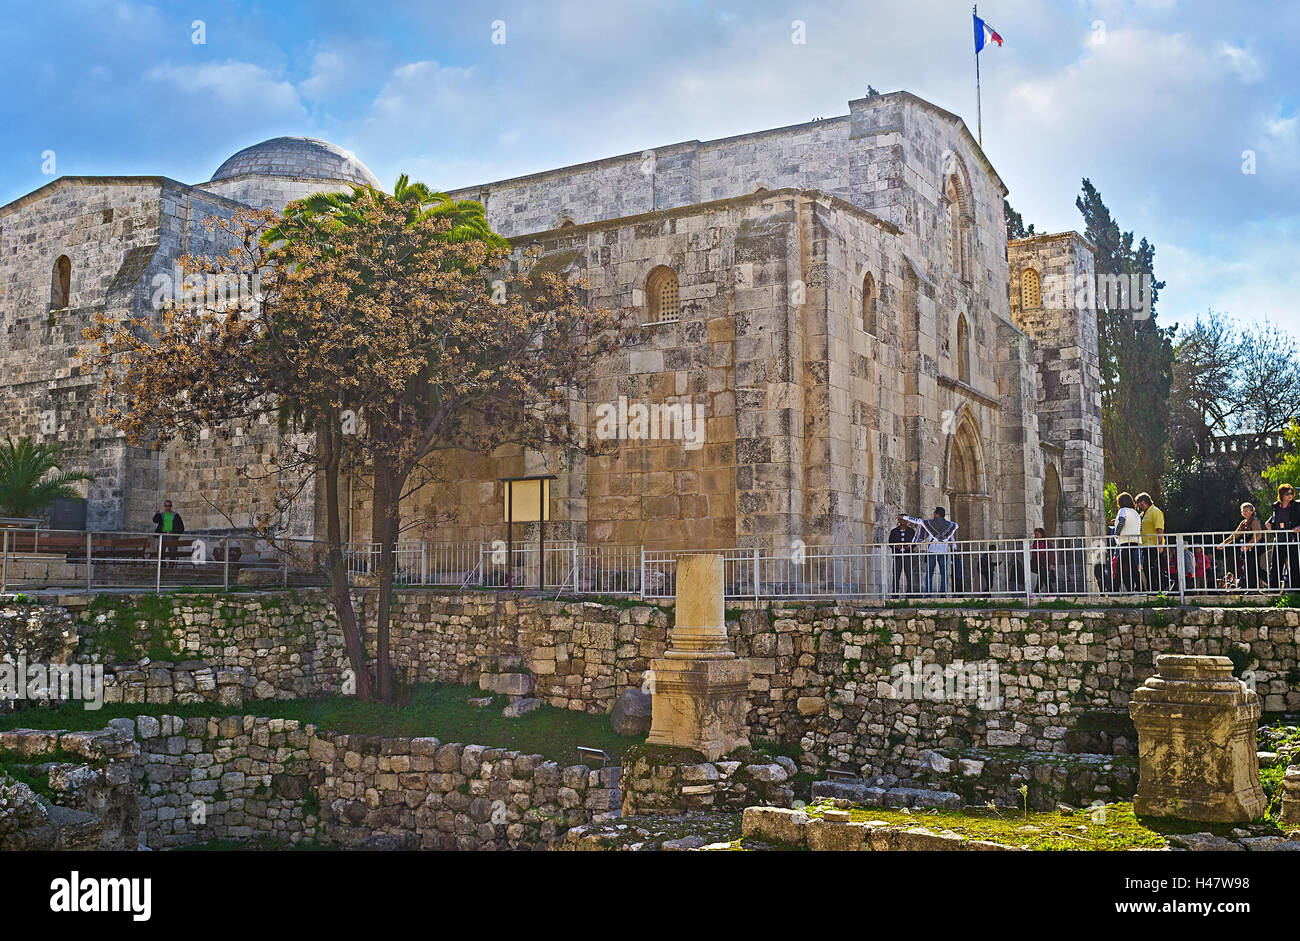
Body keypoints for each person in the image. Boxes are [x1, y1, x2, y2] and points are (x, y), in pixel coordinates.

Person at [903, 508, 959, 595]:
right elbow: (952, 538)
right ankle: (943, 594)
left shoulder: (931, 524)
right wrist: (955, 549)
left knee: (929, 573)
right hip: (943, 551)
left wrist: (905, 518)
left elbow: (919, 521)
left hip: (932, 550)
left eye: (934, 513)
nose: (933, 515)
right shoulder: (950, 525)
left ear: (937, 514)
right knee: (944, 574)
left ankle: (928, 593)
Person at [1219, 502, 1264, 589]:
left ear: (1252, 511)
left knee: (1252, 567)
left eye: (1247, 511)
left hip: (1256, 546)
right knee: (1251, 567)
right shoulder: (1244, 522)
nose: (1244, 512)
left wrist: (1247, 546)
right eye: (1243, 511)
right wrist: (1224, 543)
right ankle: (1252, 587)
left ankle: (1257, 587)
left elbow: (1258, 536)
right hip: (1249, 547)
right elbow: (1235, 535)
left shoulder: (1254, 521)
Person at [1267, 484, 1300, 588]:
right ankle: (1274, 589)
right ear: (1281, 495)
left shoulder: (1297, 505)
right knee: (1276, 565)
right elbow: (1272, 520)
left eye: (1291, 493)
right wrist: (1268, 524)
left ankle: (1295, 589)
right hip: (1279, 539)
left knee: (1294, 565)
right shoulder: (1276, 506)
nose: (1290, 496)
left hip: (1292, 539)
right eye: (1287, 494)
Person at [1112, 492, 1142, 592]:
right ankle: (1140, 587)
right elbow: (1138, 526)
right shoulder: (1135, 512)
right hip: (1135, 540)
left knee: (1118, 566)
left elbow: (1121, 522)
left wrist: (1116, 533)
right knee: (1132, 565)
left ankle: (1115, 589)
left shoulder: (1122, 510)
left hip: (1125, 541)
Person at [1135, 492, 1166, 592]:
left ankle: (1159, 587)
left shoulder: (1155, 511)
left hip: (1153, 545)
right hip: (1145, 545)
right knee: (1148, 568)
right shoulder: (1143, 514)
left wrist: (1160, 544)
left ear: (1144, 502)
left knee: (1153, 568)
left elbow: (1159, 529)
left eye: (1139, 503)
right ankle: (1153, 588)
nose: (1138, 505)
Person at [887, 515, 916, 594]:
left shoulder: (911, 531)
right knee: (896, 575)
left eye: (905, 520)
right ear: (899, 521)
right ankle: (895, 593)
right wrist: (897, 546)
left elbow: (914, 542)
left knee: (909, 575)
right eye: (901, 520)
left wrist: (909, 547)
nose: (903, 522)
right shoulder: (894, 531)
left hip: (907, 554)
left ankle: (910, 593)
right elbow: (890, 542)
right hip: (897, 555)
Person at [153, 500, 185, 568]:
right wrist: (156, 513)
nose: (168, 507)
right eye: (166, 506)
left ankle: (171, 567)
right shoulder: (161, 515)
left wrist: (176, 535)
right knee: (160, 551)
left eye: (169, 506)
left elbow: (181, 527)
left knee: (172, 552)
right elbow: (155, 520)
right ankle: (162, 565)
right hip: (163, 535)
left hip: (172, 536)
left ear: (171, 506)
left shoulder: (175, 515)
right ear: (164, 506)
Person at [1029, 527, 1057, 593]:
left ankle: (1037, 593)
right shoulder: (1035, 543)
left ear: (1041, 534)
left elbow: (1051, 554)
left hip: (1045, 563)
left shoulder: (1046, 543)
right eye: (1035, 534)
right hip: (1038, 563)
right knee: (1042, 579)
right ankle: (1050, 594)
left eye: (1037, 534)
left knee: (1042, 579)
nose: (1036, 536)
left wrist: (1051, 564)